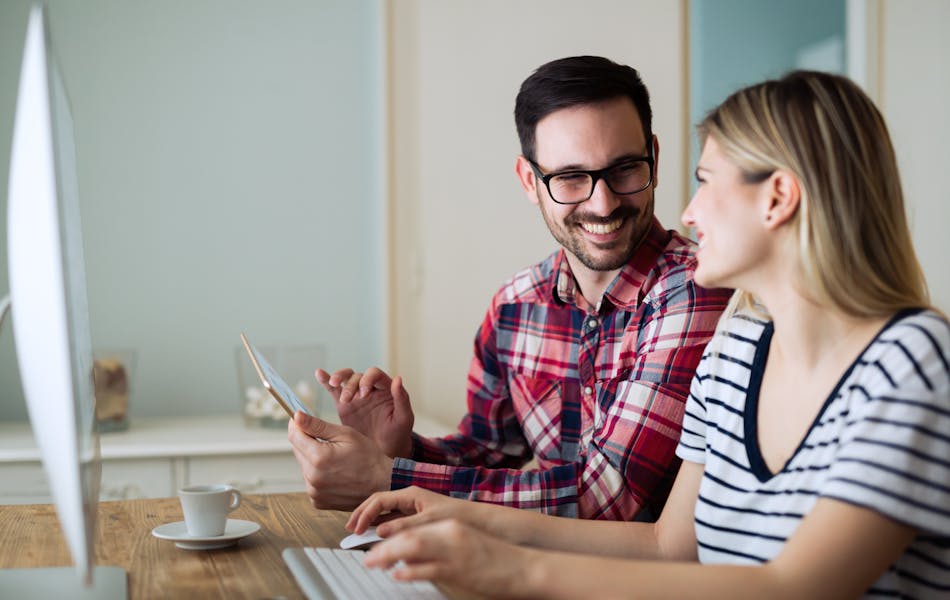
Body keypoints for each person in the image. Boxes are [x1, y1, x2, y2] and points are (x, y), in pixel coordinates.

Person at [343, 70, 950, 598]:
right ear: (532, 181)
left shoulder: (912, 363)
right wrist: (440, 504)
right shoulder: (737, 353)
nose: (688, 211)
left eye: (707, 182)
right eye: (573, 177)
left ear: (778, 199)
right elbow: (668, 547)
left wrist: (512, 567)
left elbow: (794, 588)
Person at [287, 56, 731, 520]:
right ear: (528, 181)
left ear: (654, 160)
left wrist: (388, 478)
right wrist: (397, 448)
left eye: (624, 169)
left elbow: (606, 498)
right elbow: (487, 452)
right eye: (571, 178)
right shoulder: (515, 305)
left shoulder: (695, 290)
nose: (603, 203)